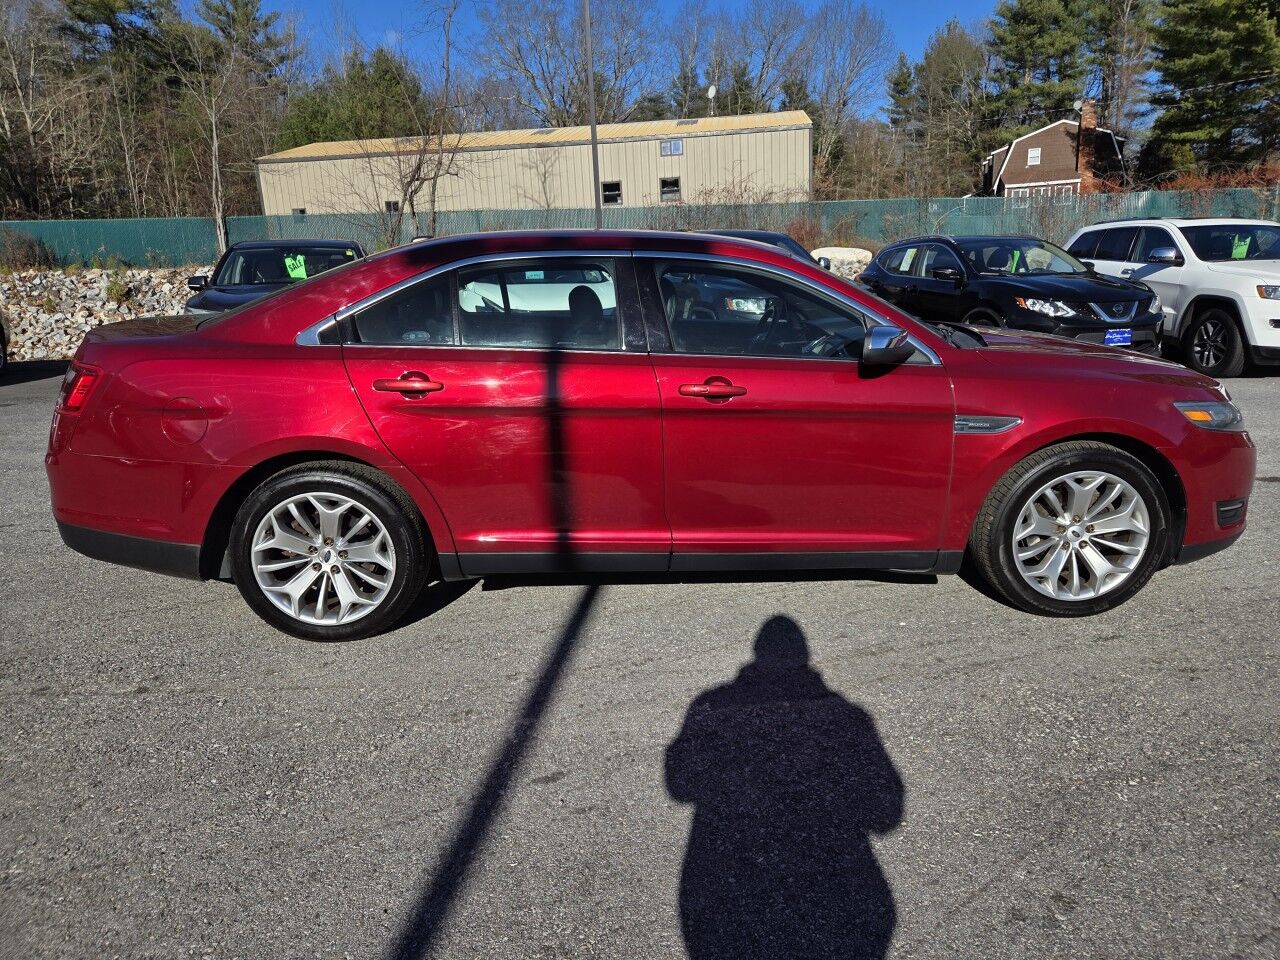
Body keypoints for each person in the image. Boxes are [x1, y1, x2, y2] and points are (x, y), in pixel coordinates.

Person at [665, 615, 905, 960]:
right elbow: (886, 814)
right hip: (837, 889)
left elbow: (679, 784)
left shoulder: (711, 706)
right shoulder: (850, 717)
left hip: (731, 885)